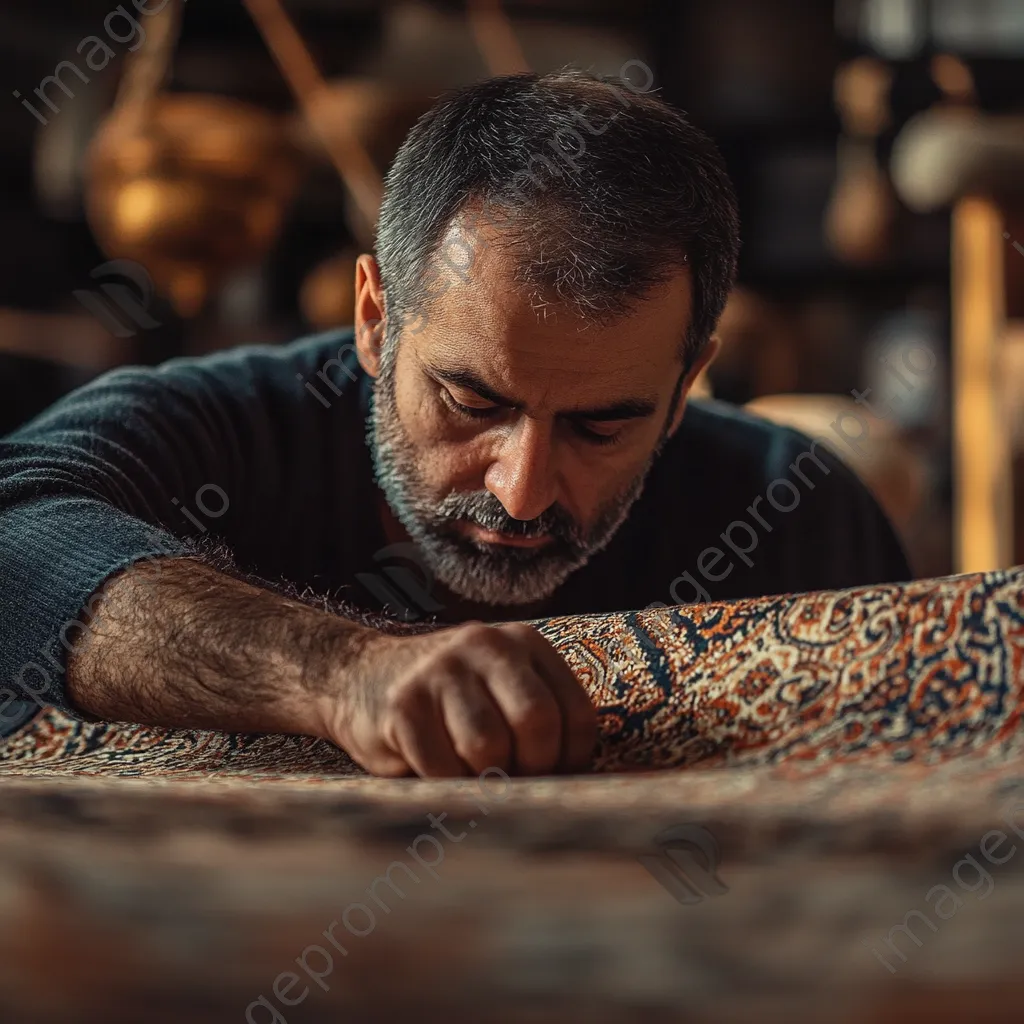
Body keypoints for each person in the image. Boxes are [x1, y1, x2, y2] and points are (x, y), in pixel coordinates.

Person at [0, 69, 909, 777]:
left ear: (686, 385)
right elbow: (14, 534)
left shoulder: (796, 517)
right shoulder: (221, 433)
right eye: (472, 403)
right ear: (374, 320)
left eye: (601, 427)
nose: (520, 488)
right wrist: (341, 674)